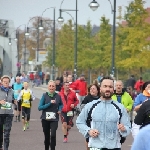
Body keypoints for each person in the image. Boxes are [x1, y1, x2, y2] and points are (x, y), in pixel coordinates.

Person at [76, 76, 131, 150]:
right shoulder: (90, 106)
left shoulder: (120, 107)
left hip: (114, 147)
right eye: (105, 86)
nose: (107, 89)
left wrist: (124, 129)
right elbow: (80, 122)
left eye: (110, 87)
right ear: (100, 88)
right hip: (95, 146)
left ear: (113, 89)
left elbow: (128, 126)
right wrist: (89, 131)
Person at [38, 80, 63, 150]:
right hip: (45, 119)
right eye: (50, 86)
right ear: (48, 87)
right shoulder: (44, 96)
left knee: (53, 135)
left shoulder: (58, 96)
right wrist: (49, 103)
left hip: (54, 119)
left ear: (55, 87)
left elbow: (61, 104)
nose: (51, 87)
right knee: (47, 136)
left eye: (53, 86)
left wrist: (60, 109)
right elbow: (39, 107)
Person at [81, 84, 100, 150]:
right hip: (89, 121)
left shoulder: (100, 98)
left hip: (98, 121)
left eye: (94, 89)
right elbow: (82, 107)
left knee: (98, 136)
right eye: (91, 89)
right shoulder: (87, 98)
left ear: (97, 90)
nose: (92, 90)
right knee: (88, 138)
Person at [0, 75, 15, 150]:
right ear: (1, 82)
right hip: (0, 113)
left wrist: (14, 101)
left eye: (7, 82)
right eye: (4, 82)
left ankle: (6, 148)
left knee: (7, 133)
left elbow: (13, 99)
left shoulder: (11, 91)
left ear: (9, 83)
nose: (6, 83)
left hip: (9, 114)